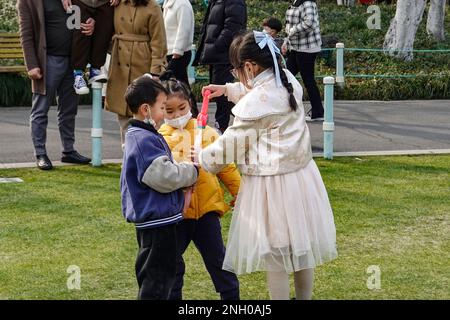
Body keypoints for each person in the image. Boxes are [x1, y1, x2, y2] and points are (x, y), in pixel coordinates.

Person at [199, 31, 337, 300]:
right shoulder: (288, 83)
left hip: (272, 183)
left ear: (248, 67)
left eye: (237, 70)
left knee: (275, 251)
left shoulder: (255, 107)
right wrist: (228, 89)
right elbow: (261, 90)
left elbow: (230, 145)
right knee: (301, 245)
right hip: (302, 177)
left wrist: (201, 156)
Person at [159, 79, 241, 300]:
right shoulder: (159, 139)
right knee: (171, 263)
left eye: (182, 108)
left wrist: (239, 192)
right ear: (161, 110)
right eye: (169, 111)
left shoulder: (207, 133)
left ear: (190, 104)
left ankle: (231, 299)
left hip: (207, 211)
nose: (177, 115)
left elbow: (226, 167)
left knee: (219, 262)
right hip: (176, 214)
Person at [121, 75, 199, 300]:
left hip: (160, 221)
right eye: (162, 107)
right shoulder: (142, 140)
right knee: (156, 281)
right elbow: (163, 176)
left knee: (164, 276)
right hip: (157, 224)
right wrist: (191, 170)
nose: (165, 113)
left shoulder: (142, 135)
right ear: (146, 109)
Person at [17, 0, 94, 170]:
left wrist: (91, 22)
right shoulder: (28, 1)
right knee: (40, 110)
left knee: (69, 109)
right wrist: (31, 64)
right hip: (47, 62)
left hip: (73, 63)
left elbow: (84, 16)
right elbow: (26, 34)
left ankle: (68, 151)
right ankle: (40, 153)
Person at [106, 0, 167, 148]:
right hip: (120, 62)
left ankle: (154, 154)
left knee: (149, 114)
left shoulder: (153, 7)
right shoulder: (117, 3)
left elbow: (159, 42)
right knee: (124, 113)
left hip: (142, 65)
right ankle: (128, 155)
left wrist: (155, 72)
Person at [193, 0, 247, 133]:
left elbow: (233, 26)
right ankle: (241, 116)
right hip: (217, 55)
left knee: (222, 93)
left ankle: (221, 125)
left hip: (225, 54)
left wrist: (218, 45)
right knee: (219, 92)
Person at [62, 0, 118, 95]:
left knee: (104, 32)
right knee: (81, 31)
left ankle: (95, 69)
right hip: (81, 2)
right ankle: (78, 74)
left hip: (105, 3)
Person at [282, 0, 324, 121]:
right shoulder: (295, 2)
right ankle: (287, 107)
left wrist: (293, 31)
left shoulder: (308, 3)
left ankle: (318, 111)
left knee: (307, 80)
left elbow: (309, 23)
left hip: (307, 48)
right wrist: (286, 41)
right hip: (295, 47)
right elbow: (289, 24)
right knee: (285, 76)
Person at [162, 0, 198, 116]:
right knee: (182, 85)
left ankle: (193, 114)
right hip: (170, 51)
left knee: (181, 86)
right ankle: (193, 114)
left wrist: (177, 52)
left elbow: (184, 30)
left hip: (179, 53)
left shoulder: (182, 4)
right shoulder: (168, 3)